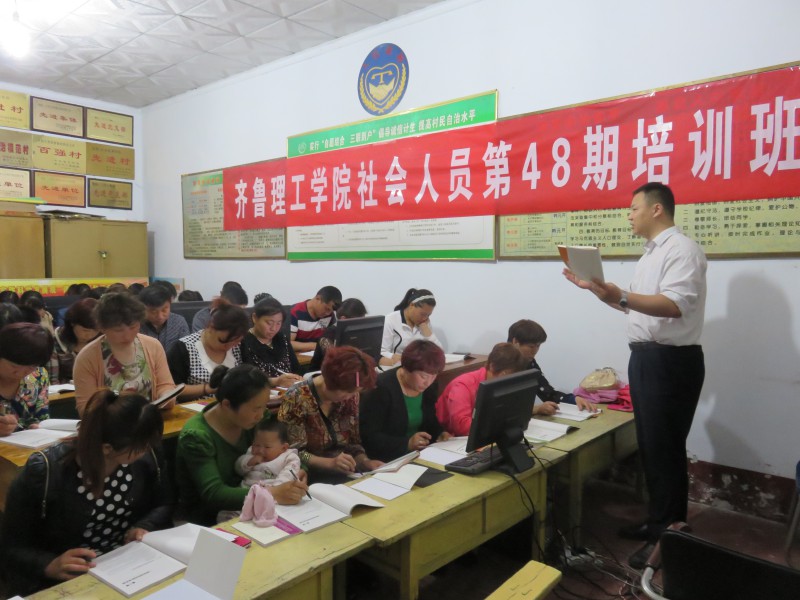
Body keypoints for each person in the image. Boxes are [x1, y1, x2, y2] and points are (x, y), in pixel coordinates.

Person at [563, 182, 707, 569]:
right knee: (652, 448)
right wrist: (601, 292)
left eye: (633, 208)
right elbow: (636, 307)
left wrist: (620, 294)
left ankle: (668, 537)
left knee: (665, 450)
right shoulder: (650, 254)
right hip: (646, 358)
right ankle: (658, 523)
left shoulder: (682, 250)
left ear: (656, 209)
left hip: (670, 362)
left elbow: (673, 305)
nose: (628, 215)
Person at [0, 390, 172, 596]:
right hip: (69, 579)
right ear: (107, 448)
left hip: (126, 566)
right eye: (141, 446)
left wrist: (144, 526)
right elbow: (10, 546)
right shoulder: (44, 472)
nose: (148, 449)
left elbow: (164, 503)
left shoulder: (143, 459)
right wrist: (49, 564)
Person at [175, 364, 307, 525]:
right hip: (207, 518)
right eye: (255, 409)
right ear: (227, 405)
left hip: (257, 506)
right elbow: (214, 494)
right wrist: (273, 493)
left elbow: (284, 450)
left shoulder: (255, 420)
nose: (261, 415)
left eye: (264, 406)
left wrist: (300, 471)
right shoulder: (196, 437)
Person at [278, 346, 383, 482]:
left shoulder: (351, 395)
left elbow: (353, 443)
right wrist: (330, 463)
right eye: (347, 392)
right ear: (330, 382)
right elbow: (294, 452)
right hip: (308, 476)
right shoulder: (296, 397)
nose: (350, 396)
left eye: (355, 392)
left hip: (346, 472)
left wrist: (365, 462)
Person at [72, 293, 177, 416]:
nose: (127, 336)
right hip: (109, 424)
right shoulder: (87, 357)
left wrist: (166, 395)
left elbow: (165, 385)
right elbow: (86, 409)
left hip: (148, 420)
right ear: (102, 328)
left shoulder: (153, 346)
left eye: (133, 327)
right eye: (118, 330)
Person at [360, 340, 450, 462]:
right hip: (386, 459)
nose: (428, 382)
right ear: (406, 369)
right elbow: (369, 436)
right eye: (423, 376)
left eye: (434, 376)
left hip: (420, 455)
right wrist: (407, 443)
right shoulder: (381, 388)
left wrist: (440, 433)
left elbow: (430, 420)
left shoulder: (430, 386)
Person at [436, 342, 551, 436]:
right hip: (450, 440)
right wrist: (499, 424)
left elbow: (509, 411)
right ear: (491, 366)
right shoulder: (462, 386)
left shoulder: (499, 383)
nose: (509, 380)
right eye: (505, 374)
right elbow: (462, 427)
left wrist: (533, 410)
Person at [507, 319, 597, 414]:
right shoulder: (500, 364)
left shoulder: (529, 363)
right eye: (531, 346)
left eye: (538, 346)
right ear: (515, 342)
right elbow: (502, 408)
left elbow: (548, 394)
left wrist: (574, 399)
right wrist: (536, 409)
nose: (535, 351)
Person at [168, 299, 249, 400]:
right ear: (211, 328)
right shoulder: (183, 348)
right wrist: (208, 388)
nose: (230, 346)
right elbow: (172, 389)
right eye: (223, 341)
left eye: (236, 341)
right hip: (195, 406)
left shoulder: (241, 346)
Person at [0, 323, 54, 436]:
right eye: (14, 366)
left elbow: (42, 417)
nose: (20, 373)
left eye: (31, 367)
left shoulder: (38, 376)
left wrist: (38, 426)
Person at [239, 297, 302, 388]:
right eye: (269, 323)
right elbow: (247, 380)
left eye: (278, 323)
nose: (273, 328)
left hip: (287, 391)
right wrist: (276, 381)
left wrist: (296, 378)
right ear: (254, 318)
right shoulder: (243, 342)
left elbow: (296, 369)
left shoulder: (281, 338)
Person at [380, 288, 443, 366]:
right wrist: (393, 356)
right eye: (422, 314)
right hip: (398, 366)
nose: (425, 318)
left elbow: (439, 352)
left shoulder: (424, 323)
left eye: (428, 315)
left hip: (418, 367)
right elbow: (383, 352)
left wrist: (426, 329)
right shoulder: (390, 320)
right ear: (411, 305)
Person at [234, 419, 301, 488]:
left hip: (274, 489)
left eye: (267, 447)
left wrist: (277, 488)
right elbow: (238, 468)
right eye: (257, 445)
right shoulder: (252, 453)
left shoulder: (289, 457)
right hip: (247, 489)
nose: (260, 450)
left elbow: (288, 475)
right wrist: (249, 462)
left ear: (283, 448)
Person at [49, 298, 99, 384]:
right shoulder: (55, 342)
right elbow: (53, 380)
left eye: (96, 331)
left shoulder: (102, 341)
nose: (89, 336)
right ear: (72, 323)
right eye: (85, 330)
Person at [309, 298, 368, 371]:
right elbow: (335, 361)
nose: (361, 325)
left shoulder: (358, 334)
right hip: (319, 374)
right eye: (359, 321)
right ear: (343, 319)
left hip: (349, 372)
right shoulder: (327, 335)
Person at [289, 285, 342, 352]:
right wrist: (315, 346)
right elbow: (288, 344)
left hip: (318, 355)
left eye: (331, 311)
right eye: (326, 309)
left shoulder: (329, 315)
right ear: (318, 298)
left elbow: (331, 338)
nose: (328, 313)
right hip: (299, 356)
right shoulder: (295, 312)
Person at [138, 284, 190, 352]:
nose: (160, 316)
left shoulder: (179, 322)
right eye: (153, 311)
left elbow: (186, 350)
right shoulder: (136, 324)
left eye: (164, 310)